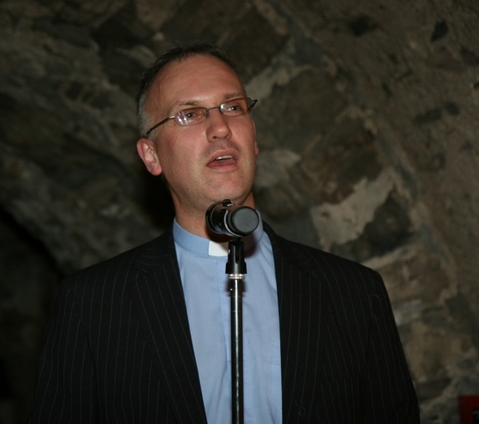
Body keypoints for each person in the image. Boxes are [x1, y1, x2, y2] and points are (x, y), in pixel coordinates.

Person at [30, 43, 419, 423]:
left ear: (253, 135)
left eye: (233, 107)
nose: (220, 128)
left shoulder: (352, 292)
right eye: (189, 114)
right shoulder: (94, 304)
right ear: (151, 156)